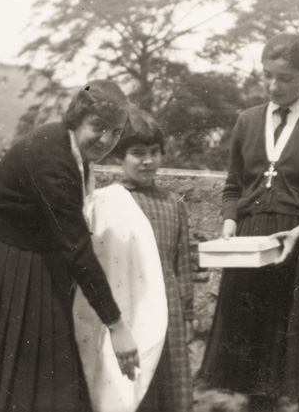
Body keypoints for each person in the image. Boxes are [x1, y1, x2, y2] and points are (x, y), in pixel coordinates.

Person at [0, 80, 141, 412]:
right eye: (98, 127)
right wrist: (117, 327)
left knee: (38, 368)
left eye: (116, 132)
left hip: (31, 252)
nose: (106, 140)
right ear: (78, 117)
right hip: (3, 259)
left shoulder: (72, 149)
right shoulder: (52, 160)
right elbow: (77, 249)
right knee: (10, 372)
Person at [198, 33, 299, 412]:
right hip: (253, 252)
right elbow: (233, 187)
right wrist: (231, 221)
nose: (273, 85)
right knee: (256, 371)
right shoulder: (247, 121)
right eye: (267, 75)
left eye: (284, 78)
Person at [108, 110, 195, 412]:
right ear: (119, 155)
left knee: (169, 385)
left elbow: (182, 264)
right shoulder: (110, 201)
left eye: (154, 152)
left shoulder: (174, 204)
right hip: (130, 308)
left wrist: (187, 315)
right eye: (137, 153)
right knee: (134, 388)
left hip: (168, 309)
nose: (148, 161)